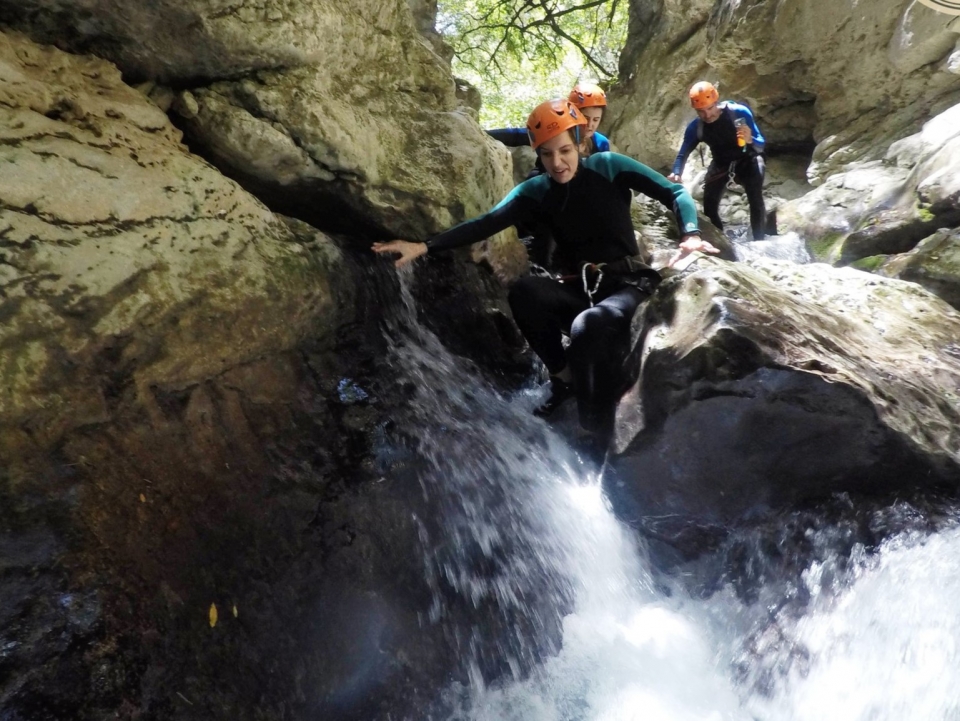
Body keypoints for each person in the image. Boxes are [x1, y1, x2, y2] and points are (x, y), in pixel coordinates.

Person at [373, 99, 719, 437]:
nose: (557, 162)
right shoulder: (537, 190)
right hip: (583, 290)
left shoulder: (609, 166)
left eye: (565, 151)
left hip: (629, 284)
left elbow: (675, 193)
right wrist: (423, 246)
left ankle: (592, 425)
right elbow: (486, 222)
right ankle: (564, 379)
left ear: (580, 144)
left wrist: (690, 233)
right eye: (547, 154)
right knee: (525, 292)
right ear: (537, 154)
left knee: (587, 326)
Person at [668, 81, 767, 240]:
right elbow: (682, 154)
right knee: (709, 206)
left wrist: (751, 139)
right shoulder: (696, 128)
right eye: (701, 111)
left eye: (710, 108)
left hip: (748, 159)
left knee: (755, 197)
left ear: (716, 102)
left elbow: (761, 146)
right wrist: (676, 172)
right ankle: (722, 244)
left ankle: (760, 241)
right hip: (721, 164)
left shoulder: (739, 112)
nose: (707, 115)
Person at [486, 82, 611, 164]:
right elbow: (519, 135)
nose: (590, 124)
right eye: (586, 117)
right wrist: (484, 134)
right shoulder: (557, 131)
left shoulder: (601, 143)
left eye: (596, 120)